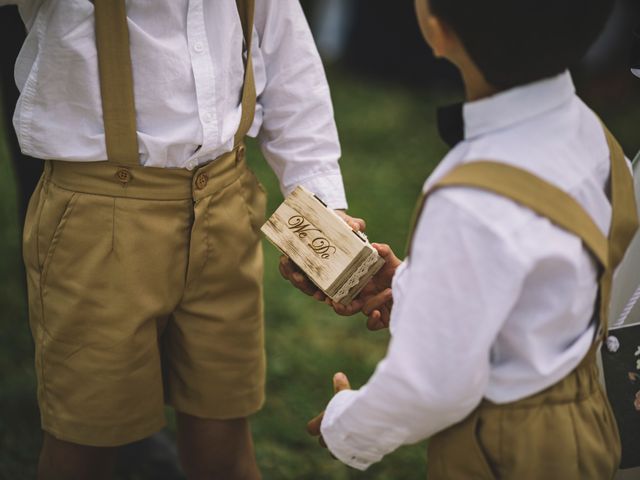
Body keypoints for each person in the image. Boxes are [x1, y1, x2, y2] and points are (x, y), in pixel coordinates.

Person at [1, 0, 364, 479]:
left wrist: (323, 215)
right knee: (82, 447)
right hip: (97, 218)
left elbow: (290, 64)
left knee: (224, 436)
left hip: (225, 202)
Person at [305, 0, 639, 477]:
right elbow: (546, 281)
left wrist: (346, 424)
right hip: (588, 417)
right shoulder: (595, 138)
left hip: (502, 447)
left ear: (438, 32)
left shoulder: (468, 198)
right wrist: (414, 286)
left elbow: (431, 386)